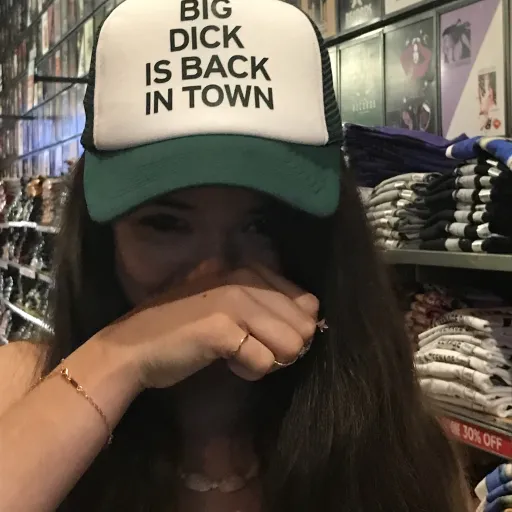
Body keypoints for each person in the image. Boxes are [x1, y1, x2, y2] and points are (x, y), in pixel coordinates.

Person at [0, 0, 471, 511]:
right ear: (101, 237)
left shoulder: (398, 453)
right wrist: (117, 358)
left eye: (262, 225)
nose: (213, 277)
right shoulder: (21, 389)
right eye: (165, 224)